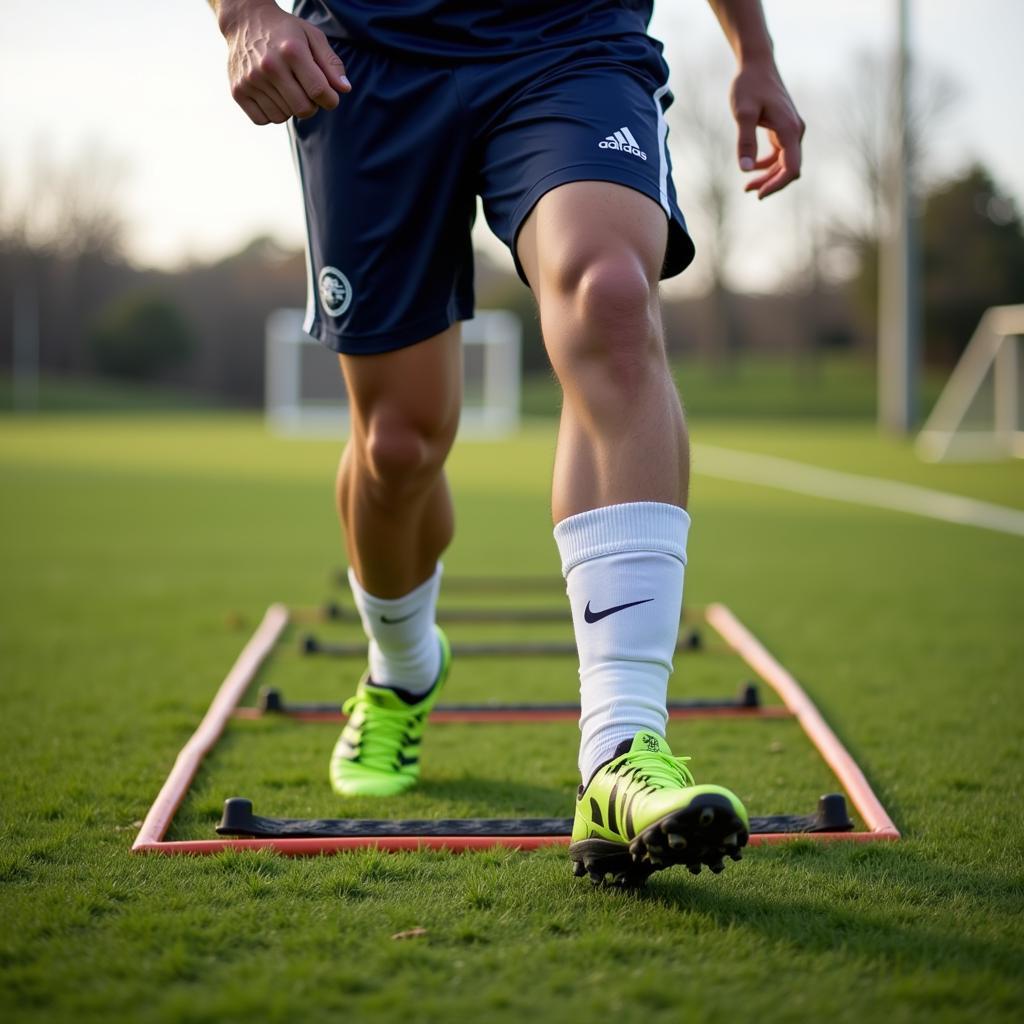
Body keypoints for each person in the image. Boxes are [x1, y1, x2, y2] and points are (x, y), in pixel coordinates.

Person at [210, 0, 804, 885]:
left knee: (612, 299)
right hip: (372, 57)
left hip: (573, 42)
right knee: (399, 446)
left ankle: (621, 750)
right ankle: (403, 669)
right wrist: (243, 12)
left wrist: (753, 50)